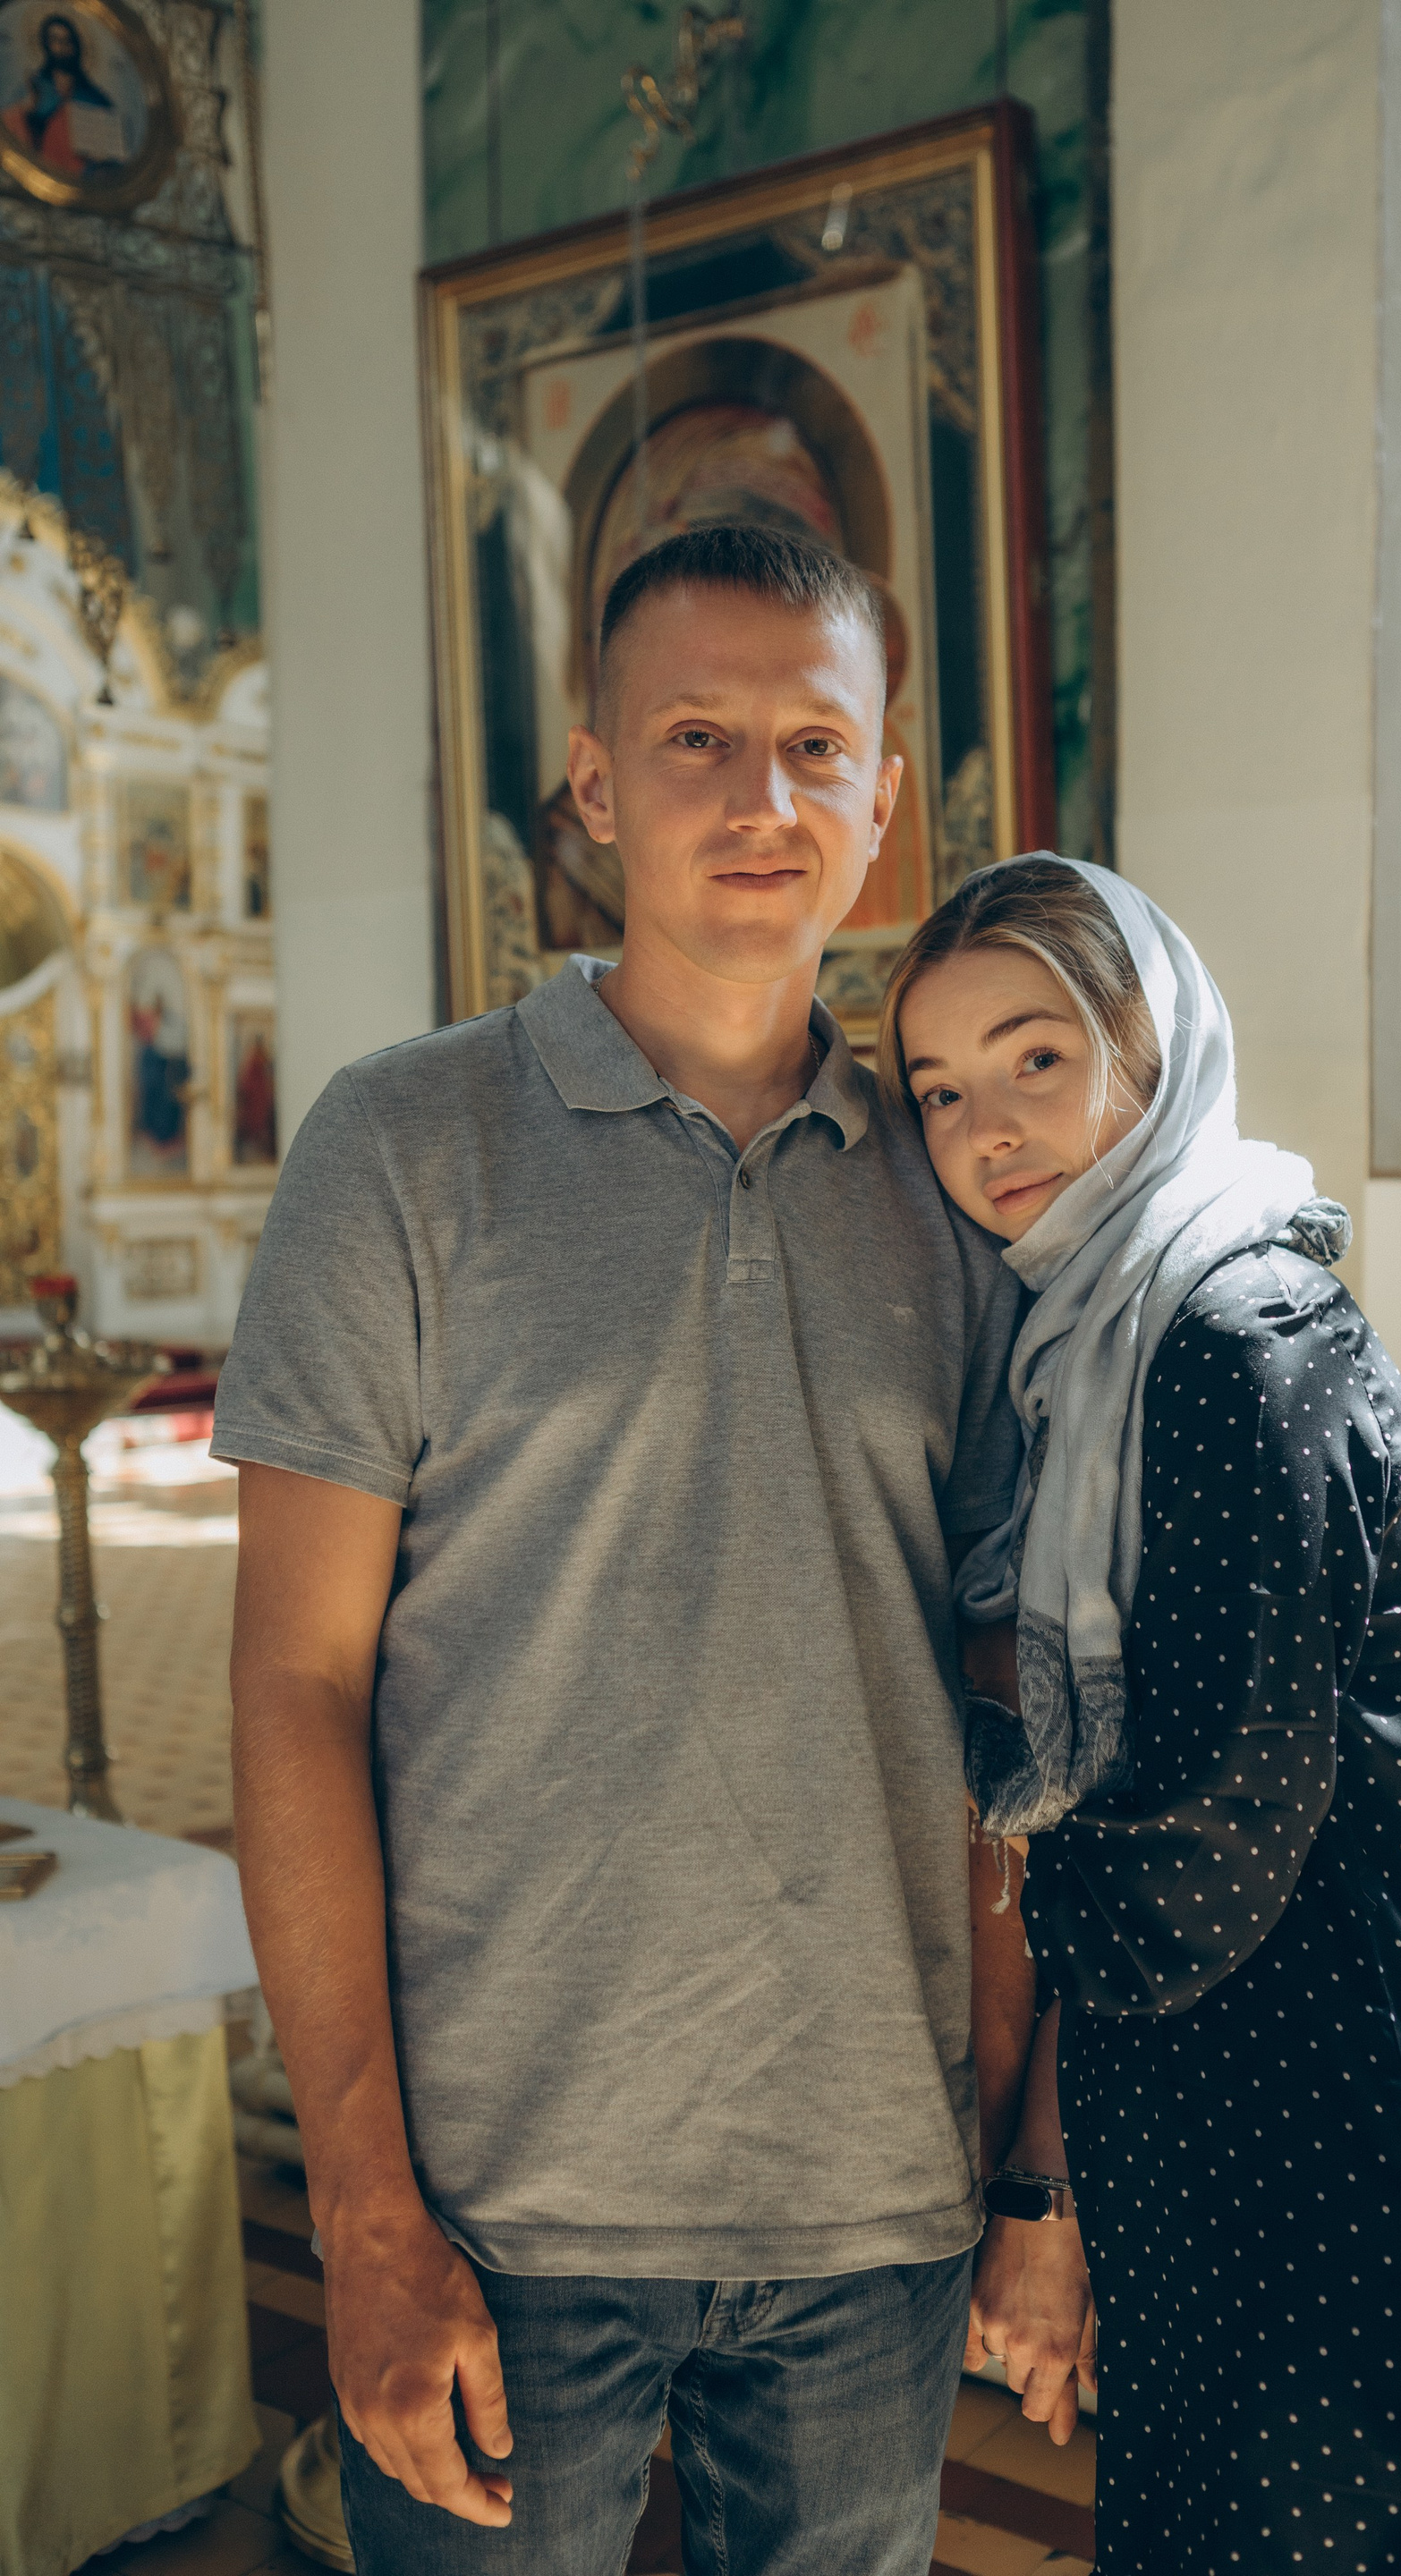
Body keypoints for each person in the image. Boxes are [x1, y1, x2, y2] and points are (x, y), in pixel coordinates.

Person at [215, 524, 1031, 2575]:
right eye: (696, 739)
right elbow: (295, 1685)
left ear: (882, 802)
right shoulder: (402, 1147)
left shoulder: (959, 1190)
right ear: (593, 783)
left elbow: (1017, 1707)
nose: (763, 798)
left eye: (814, 746)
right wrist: (364, 2209)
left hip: (868, 2192)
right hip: (500, 2202)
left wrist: (1026, 2159)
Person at [882, 854, 1401, 2574]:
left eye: (1037, 1059)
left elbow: (1196, 1849)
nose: (986, 1130)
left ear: (1152, 1048)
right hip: (1218, 2156)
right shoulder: (1093, 1354)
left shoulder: (1239, 1343)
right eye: (940, 1090)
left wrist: (1029, 2164)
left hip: (1342, 2180)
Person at [2, 15, 123, 179]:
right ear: (46, 43)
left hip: (81, 176)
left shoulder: (93, 96)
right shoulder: (36, 85)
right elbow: (10, 123)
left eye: (67, 41)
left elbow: (111, 148)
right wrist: (29, 108)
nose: (61, 46)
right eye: (55, 40)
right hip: (39, 170)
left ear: (76, 46)